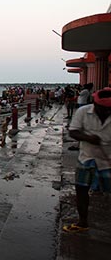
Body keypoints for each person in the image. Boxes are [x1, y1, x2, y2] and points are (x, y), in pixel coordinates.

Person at [63, 87, 111, 233]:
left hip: (108, 160)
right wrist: (89, 138)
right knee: (81, 190)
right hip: (87, 157)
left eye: (108, 110)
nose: (104, 112)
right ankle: (82, 222)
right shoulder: (83, 111)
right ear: (95, 103)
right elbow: (73, 131)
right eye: (101, 108)